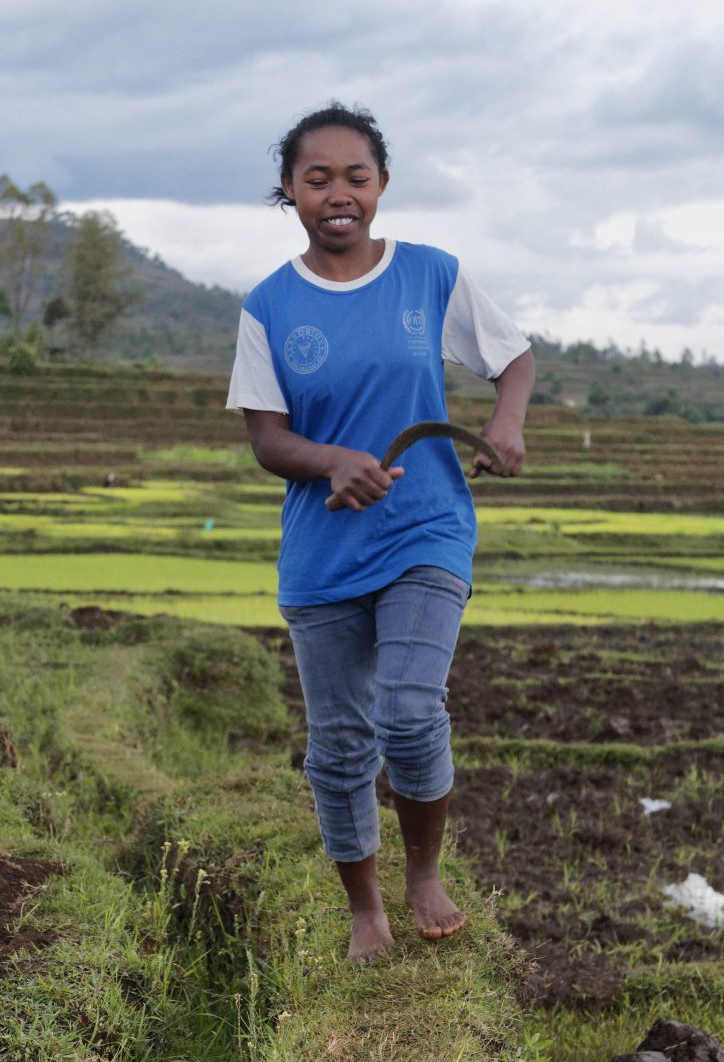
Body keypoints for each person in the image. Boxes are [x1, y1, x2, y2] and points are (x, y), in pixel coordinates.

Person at [225, 102, 535, 963]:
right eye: (316, 177)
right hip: (324, 551)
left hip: (425, 528)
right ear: (288, 191)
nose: (338, 193)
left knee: (406, 708)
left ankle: (424, 872)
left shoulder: (431, 275)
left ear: (382, 186)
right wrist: (328, 462)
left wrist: (506, 422)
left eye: (356, 177)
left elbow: (513, 358)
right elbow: (266, 438)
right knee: (339, 744)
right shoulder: (269, 306)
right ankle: (366, 910)